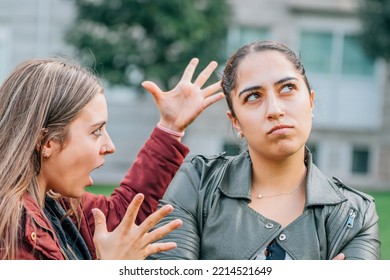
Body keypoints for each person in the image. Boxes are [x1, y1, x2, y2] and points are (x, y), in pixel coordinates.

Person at [147, 40, 381, 260]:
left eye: (288, 88)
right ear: (235, 121)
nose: (275, 109)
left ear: (310, 101)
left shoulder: (355, 213)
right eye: (254, 96)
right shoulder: (196, 183)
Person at [0, 56, 224, 260]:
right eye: (96, 131)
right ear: (47, 143)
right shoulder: (13, 231)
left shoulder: (56, 204)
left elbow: (121, 216)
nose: (110, 146)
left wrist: (170, 128)